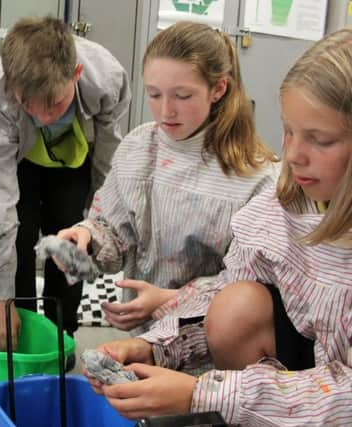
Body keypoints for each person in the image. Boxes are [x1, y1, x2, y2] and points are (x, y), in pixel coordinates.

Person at [88, 27, 352, 425]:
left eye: (320, 139)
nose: (294, 155)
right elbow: (226, 289)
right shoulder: (283, 204)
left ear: (218, 89)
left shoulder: (252, 175)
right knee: (237, 303)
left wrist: (204, 393)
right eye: (289, 131)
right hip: (299, 379)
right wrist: (155, 348)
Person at [56, 21, 277, 334]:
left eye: (182, 96)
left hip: (218, 355)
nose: (165, 111)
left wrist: (172, 300)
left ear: (219, 89)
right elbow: (113, 232)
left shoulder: (257, 177)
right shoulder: (137, 148)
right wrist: (87, 239)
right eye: (154, 94)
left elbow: (254, 291)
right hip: (144, 340)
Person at [0, 16, 131, 349]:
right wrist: (1, 301)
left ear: (75, 74)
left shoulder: (108, 78)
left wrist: (98, 222)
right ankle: (23, 331)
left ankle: (62, 335)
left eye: (55, 104)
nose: (44, 116)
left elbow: (109, 159)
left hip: (74, 166)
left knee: (69, 241)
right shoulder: (0, 93)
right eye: (28, 105)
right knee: (19, 239)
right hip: (21, 165)